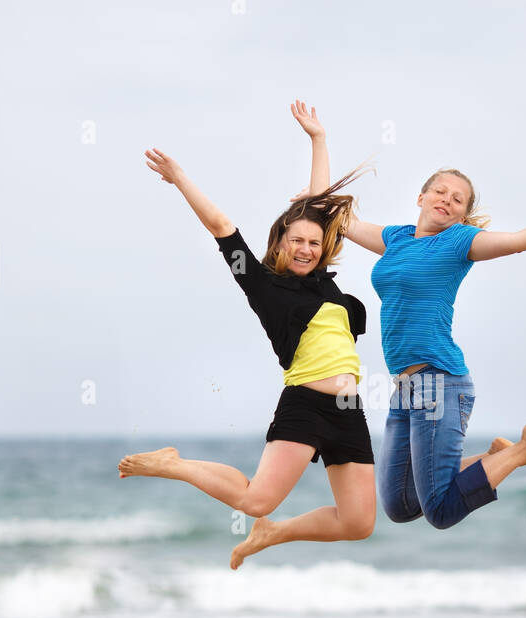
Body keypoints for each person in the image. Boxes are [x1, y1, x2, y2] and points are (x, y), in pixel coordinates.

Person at [294, 103, 526, 528]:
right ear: (421, 197)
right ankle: (496, 456)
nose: (446, 201)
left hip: (440, 382)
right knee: (399, 505)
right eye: (440, 192)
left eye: (457, 200)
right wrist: (318, 140)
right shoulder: (396, 239)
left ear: (463, 215)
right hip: (405, 387)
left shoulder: (458, 242)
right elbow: (327, 212)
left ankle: (525, 449)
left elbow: (518, 240)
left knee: (441, 511)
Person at [118, 133, 375, 569]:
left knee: (358, 523)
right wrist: (179, 178)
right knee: (257, 499)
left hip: (349, 410)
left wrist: (318, 138)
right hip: (306, 406)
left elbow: (319, 201)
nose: (307, 249)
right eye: (297, 241)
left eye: (314, 243)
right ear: (279, 242)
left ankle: (275, 533)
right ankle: (174, 464)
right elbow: (221, 226)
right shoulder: (263, 286)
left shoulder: (325, 284)